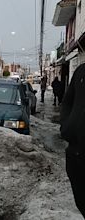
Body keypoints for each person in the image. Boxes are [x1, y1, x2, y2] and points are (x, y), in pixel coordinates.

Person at [60, 64, 85, 217]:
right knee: (81, 201)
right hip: (76, 152)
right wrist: (66, 126)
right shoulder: (81, 71)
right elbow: (67, 101)